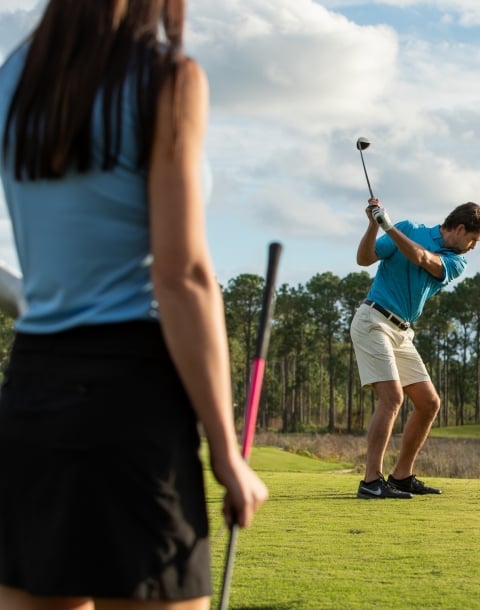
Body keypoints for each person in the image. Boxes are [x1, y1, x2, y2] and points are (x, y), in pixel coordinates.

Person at [0, 2, 268, 608]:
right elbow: (183, 278)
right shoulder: (167, 77)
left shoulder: (14, 77)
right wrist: (226, 452)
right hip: (131, 399)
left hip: (33, 391)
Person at [352, 197, 480, 498]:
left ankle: (401, 476)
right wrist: (373, 226)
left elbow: (422, 259)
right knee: (392, 398)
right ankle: (371, 482)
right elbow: (365, 259)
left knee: (429, 403)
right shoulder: (409, 229)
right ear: (459, 229)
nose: (473, 247)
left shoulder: (457, 262)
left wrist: (388, 227)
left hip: (402, 331)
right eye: (473, 240)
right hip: (373, 319)